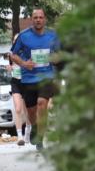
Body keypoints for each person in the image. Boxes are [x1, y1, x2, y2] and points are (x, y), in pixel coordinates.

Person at [9, 8, 61, 151]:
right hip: (28, 78)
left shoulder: (53, 35)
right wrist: (24, 64)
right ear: (32, 20)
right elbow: (13, 55)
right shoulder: (24, 36)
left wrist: (55, 58)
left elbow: (59, 54)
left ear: (44, 19)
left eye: (40, 17)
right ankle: (35, 127)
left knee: (42, 103)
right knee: (31, 111)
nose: (38, 20)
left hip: (47, 75)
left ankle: (41, 138)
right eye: (35, 17)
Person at [6, 34, 30, 145]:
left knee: (28, 110)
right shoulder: (10, 54)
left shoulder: (28, 52)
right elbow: (10, 66)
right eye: (15, 40)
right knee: (18, 108)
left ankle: (28, 131)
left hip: (27, 81)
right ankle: (19, 135)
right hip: (16, 82)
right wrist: (9, 68)